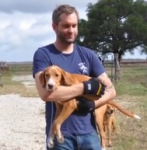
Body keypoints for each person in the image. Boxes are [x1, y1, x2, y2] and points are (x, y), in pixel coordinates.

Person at [32, 4, 116, 150]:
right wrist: (84, 87)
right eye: (66, 26)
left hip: (89, 133)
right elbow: (46, 93)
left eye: (74, 25)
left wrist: (92, 105)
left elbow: (111, 91)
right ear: (54, 26)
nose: (71, 30)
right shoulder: (44, 54)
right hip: (61, 136)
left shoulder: (88, 55)